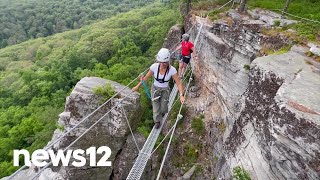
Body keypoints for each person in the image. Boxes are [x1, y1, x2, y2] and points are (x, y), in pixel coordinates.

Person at [132, 48, 185, 129]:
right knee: (156, 108)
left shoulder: (172, 70)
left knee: (163, 109)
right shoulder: (154, 67)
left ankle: (162, 113)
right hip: (155, 90)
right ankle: (157, 121)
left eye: (164, 62)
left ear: (168, 61)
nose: (162, 64)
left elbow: (178, 83)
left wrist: (181, 95)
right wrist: (137, 86)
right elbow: (145, 78)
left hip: (165, 90)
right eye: (160, 62)